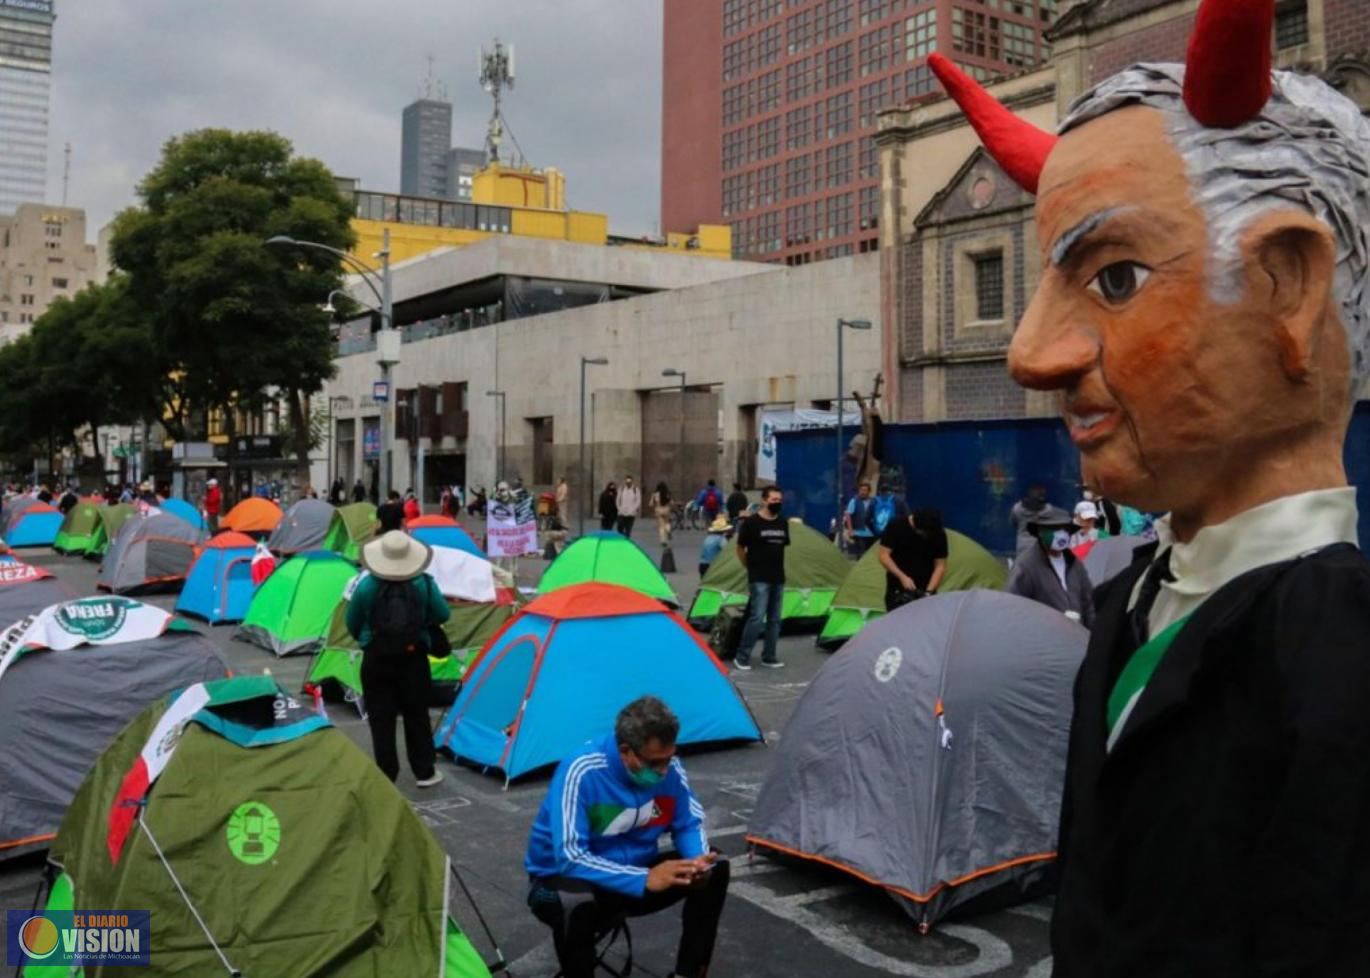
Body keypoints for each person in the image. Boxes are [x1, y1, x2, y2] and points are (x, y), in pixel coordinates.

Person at [938, 15, 1370, 963]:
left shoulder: (1340, 647)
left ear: (1289, 287)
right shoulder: (1127, 598)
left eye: (1116, 277)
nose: (1030, 355)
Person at [525, 696, 729, 978]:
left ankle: (689, 972)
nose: (663, 770)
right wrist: (643, 878)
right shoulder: (581, 771)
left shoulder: (669, 770)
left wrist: (698, 863)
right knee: (575, 903)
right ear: (626, 752)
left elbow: (687, 824)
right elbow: (570, 857)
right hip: (561, 882)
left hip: (635, 875)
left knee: (716, 867)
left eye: (669, 759)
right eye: (655, 762)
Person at [345, 531, 450, 786]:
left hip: (376, 659)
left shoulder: (367, 585)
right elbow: (443, 614)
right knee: (417, 714)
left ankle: (386, 774)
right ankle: (424, 772)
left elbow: (352, 622)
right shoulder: (424, 583)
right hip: (413, 658)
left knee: (382, 719)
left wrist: (369, 638)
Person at [1004, 506, 1094, 628]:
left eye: (1065, 529)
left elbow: (1088, 604)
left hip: (1077, 638)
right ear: (1040, 533)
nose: (1061, 534)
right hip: (1045, 641)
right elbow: (1013, 609)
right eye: (1055, 529)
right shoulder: (1026, 566)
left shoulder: (1075, 564)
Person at [732, 486, 789, 670]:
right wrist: (749, 567)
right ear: (764, 501)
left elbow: (782, 547)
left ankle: (769, 656)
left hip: (778, 577)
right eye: (773, 499)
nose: (777, 503)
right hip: (759, 577)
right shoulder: (751, 523)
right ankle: (742, 656)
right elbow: (740, 548)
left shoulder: (782, 522)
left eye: (779, 500)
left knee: (775, 619)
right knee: (757, 617)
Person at [878, 507, 949, 611]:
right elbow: (883, 555)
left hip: (926, 587)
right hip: (897, 587)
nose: (926, 536)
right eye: (924, 533)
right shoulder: (896, 526)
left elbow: (940, 565)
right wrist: (902, 577)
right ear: (916, 528)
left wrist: (929, 592)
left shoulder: (938, 533)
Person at [1009, 484, 1050, 553]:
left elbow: (1014, 523)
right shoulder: (1048, 510)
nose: (1040, 491)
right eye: (1037, 489)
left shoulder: (1017, 508)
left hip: (1023, 547)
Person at [843, 481, 877, 556]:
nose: (863, 492)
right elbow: (848, 515)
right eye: (861, 490)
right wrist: (850, 529)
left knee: (870, 554)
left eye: (865, 490)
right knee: (861, 553)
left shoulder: (873, 501)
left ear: (869, 491)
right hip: (858, 532)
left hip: (871, 532)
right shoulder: (854, 501)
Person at [650, 482, 673, 546]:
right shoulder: (667, 493)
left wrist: (653, 505)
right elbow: (671, 502)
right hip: (666, 510)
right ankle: (668, 530)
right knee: (667, 523)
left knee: (661, 526)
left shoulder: (654, 494)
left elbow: (651, 504)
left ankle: (663, 541)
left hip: (658, 510)